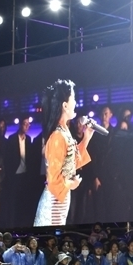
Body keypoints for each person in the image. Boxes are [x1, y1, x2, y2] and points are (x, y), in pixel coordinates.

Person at [34, 79, 94, 226]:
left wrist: (86, 138)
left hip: (60, 200)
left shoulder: (64, 132)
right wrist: (70, 184)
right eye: (73, 98)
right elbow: (54, 179)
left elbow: (71, 163)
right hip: (54, 202)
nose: (76, 102)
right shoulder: (57, 136)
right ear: (65, 105)